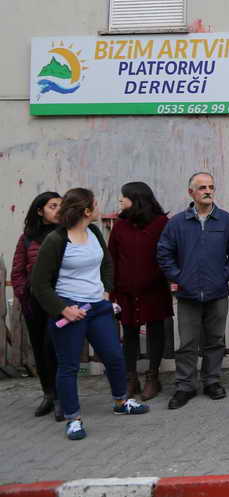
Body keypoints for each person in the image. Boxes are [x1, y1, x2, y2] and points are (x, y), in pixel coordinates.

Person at [30, 188, 150, 441]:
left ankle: (121, 402)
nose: (99, 208)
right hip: (70, 311)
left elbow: (107, 263)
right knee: (69, 366)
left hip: (98, 308)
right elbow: (39, 284)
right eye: (95, 205)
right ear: (86, 211)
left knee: (114, 356)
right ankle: (73, 419)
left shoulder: (94, 232)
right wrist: (63, 309)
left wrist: (106, 291)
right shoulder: (56, 240)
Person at [158, 172, 229, 409]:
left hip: (217, 292)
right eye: (202, 187)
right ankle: (185, 385)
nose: (208, 191)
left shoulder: (225, 221)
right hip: (188, 294)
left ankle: (212, 381)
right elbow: (164, 253)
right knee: (187, 343)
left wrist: (224, 275)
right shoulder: (177, 223)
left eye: (211, 187)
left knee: (215, 340)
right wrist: (179, 277)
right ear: (191, 192)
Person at [108, 181, 172, 401]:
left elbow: (169, 252)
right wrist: (112, 290)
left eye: (124, 196)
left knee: (156, 331)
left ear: (136, 199)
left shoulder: (161, 223)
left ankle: (153, 377)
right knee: (129, 333)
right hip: (125, 291)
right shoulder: (120, 225)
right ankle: (131, 378)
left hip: (154, 289)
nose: (120, 200)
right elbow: (112, 258)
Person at [10, 191, 62, 419]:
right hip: (35, 303)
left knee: (54, 347)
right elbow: (17, 271)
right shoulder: (27, 238)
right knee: (40, 350)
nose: (58, 210)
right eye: (52, 206)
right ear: (40, 211)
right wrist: (25, 296)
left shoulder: (66, 234)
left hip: (59, 301)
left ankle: (61, 397)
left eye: (60, 205)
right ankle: (48, 394)